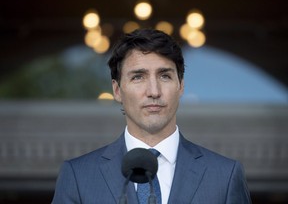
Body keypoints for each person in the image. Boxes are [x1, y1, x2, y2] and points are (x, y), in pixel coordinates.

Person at [52, 28, 252, 204]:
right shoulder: (78, 176)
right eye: (138, 77)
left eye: (165, 76)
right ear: (117, 90)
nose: (154, 91)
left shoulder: (225, 176)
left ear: (181, 86)